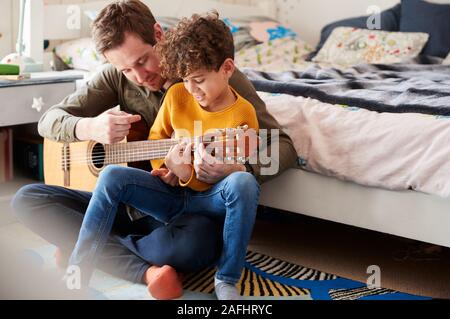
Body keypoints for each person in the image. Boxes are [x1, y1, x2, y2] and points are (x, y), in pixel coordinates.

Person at [11, 0, 297, 299]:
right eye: (126, 68)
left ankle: (87, 242)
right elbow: (49, 121)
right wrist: (89, 128)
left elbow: (282, 144)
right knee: (27, 200)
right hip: (134, 200)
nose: (139, 75)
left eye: (143, 60)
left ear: (159, 34)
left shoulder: (210, 71)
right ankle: (142, 268)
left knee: (193, 246)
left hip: (190, 211)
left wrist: (242, 170)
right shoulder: (115, 77)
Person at [67, 12, 260, 300]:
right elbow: (157, 139)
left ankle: (226, 278)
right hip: (170, 194)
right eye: (185, 80)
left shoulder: (243, 112)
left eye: (198, 80)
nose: (192, 90)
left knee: (244, 183)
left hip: (209, 199)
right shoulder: (178, 95)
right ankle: (78, 270)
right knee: (109, 175)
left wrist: (231, 168)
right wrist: (169, 168)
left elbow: (244, 161)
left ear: (227, 68)